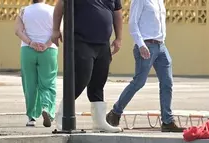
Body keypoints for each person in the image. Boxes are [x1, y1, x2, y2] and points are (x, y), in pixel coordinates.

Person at [105, 0, 184, 133]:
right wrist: (141, 44)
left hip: (161, 46)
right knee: (139, 82)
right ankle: (115, 113)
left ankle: (167, 121)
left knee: (167, 82)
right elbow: (133, 23)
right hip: (146, 45)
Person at [52, 0, 123, 132]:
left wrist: (119, 38)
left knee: (99, 82)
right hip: (81, 41)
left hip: (103, 43)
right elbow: (60, 5)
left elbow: (117, 12)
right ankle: (63, 117)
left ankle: (99, 122)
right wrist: (55, 30)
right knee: (80, 80)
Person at [16, 0, 58, 128]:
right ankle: (46, 108)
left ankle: (31, 117)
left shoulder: (23, 11)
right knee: (48, 82)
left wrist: (31, 43)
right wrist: (47, 44)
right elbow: (58, 31)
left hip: (27, 51)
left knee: (29, 84)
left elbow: (18, 31)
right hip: (48, 51)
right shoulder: (53, 10)